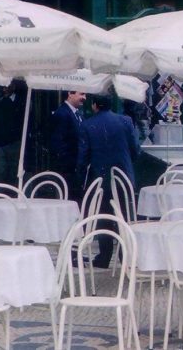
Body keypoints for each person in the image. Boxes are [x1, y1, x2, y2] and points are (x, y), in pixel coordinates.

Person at [76, 92, 140, 268]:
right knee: (125, 217)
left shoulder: (87, 125)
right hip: (124, 177)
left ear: (94, 105)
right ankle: (125, 256)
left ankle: (104, 256)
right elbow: (135, 150)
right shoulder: (126, 121)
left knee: (103, 217)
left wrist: (81, 178)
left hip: (101, 178)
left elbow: (83, 157)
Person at [49, 90, 85, 202]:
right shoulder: (62, 114)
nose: (85, 97)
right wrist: (69, 163)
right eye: (82, 94)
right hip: (67, 169)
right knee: (68, 198)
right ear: (70, 93)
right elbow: (57, 142)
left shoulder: (77, 114)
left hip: (75, 167)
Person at [0, 79, 26, 184]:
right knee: (2, 171)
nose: (4, 89)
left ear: (13, 86)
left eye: (7, 86)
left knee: (14, 170)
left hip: (14, 142)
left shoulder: (21, 102)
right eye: (3, 86)